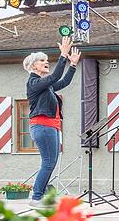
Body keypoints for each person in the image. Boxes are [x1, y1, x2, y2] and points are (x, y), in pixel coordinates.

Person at [23, 37, 80, 208]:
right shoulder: (34, 83)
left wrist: (73, 65)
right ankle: (36, 197)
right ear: (34, 66)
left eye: (47, 60)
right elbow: (55, 76)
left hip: (51, 127)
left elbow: (63, 81)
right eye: (42, 61)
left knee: (51, 162)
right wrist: (63, 55)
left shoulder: (45, 85)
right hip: (42, 126)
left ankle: (40, 196)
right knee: (48, 162)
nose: (46, 62)